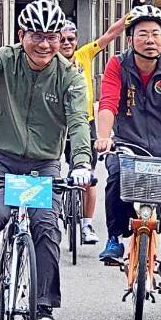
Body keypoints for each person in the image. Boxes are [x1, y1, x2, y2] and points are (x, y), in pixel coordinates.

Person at [0, 0, 92, 320]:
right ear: (22, 34)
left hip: (42, 165)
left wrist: (81, 163)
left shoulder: (70, 77)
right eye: (36, 35)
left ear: (61, 39)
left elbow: (77, 122)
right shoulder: (6, 59)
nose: (44, 44)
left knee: (46, 225)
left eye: (52, 36)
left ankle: (43, 303)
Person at [95, 5, 161, 298]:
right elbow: (107, 104)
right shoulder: (117, 65)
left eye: (155, 33)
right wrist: (104, 138)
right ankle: (115, 238)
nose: (150, 40)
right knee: (115, 182)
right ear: (130, 38)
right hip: (128, 146)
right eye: (143, 33)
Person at [58, 17, 127, 246]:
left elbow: (109, 35)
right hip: (58, 125)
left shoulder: (84, 55)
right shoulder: (49, 61)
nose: (66, 43)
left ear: (77, 41)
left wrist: (130, 18)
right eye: (62, 39)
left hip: (85, 123)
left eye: (71, 39)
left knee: (89, 177)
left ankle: (86, 224)